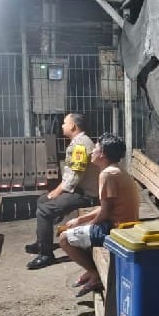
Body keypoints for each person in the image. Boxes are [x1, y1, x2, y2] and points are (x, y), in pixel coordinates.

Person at [57, 133, 139, 295]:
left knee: (64, 238)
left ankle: (94, 273)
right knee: (78, 231)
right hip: (122, 225)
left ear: (102, 154)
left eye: (95, 148)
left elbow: (105, 212)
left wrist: (89, 225)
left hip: (116, 230)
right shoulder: (116, 171)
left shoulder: (107, 175)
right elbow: (106, 206)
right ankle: (92, 271)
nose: (92, 152)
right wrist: (80, 220)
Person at [26, 113, 100, 270]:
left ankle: (46, 255)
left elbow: (74, 176)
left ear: (73, 126)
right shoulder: (78, 142)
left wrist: (57, 192)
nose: (62, 126)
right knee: (42, 200)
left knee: (44, 211)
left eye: (65, 123)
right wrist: (55, 193)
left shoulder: (80, 145)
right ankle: (41, 242)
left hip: (87, 195)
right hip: (78, 190)